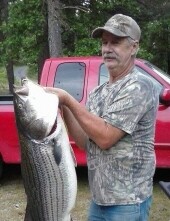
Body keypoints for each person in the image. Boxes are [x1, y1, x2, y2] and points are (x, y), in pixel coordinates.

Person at [46, 14, 159, 221]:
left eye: (115, 42)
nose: (107, 48)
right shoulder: (98, 92)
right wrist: (64, 107)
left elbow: (106, 137)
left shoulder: (139, 86)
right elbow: (85, 142)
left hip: (128, 201)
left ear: (134, 47)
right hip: (100, 200)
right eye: (104, 42)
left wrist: (69, 100)